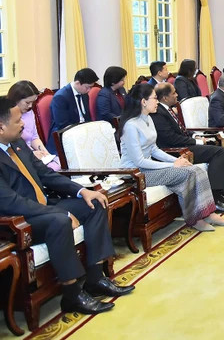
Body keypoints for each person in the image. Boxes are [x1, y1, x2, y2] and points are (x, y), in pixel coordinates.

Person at [0, 96, 134, 315]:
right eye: (18, 121)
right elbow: (11, 202)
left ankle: (95, 278)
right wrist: (59, 210)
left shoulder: (16, 143)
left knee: (95, 204)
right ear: (1, 126)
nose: (23, 123)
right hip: (19, 219)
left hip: (43, 205)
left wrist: (82, 191)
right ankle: (72, 296)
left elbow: (45, 174)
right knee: (59, 220)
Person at [120, 84, 224, 232]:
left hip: (149, 167)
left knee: (195, 169)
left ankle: (208, 213)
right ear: (143, 101)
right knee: (189, 173)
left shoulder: (147, 119)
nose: (157, 101)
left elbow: (154, 149)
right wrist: (173, 165)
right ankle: (195, 219)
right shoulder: (130, 126)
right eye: (154, 98)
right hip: (136, 173)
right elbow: (139, 161)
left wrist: (175, 161)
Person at [150, 83, 224, 212]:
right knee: (219, 152)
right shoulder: (158, 113)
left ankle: (219, 195)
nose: (177, 95)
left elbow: (181, 130)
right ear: (165, 97)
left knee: (218, 148)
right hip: (176, 151)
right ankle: (215, 199)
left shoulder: (168, 109)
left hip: (184, 145)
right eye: (174, 93)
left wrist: (196, 136)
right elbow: (171, 139)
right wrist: (196, 142)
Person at [7, 80, 61, 170]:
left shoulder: (29, 113)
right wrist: (31, 154)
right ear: (16, 100)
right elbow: (11, 147)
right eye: (27, 103)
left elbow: (34, 137)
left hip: (32, 154)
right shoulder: (7, 117)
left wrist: (46, 154)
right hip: (20, 158)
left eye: (33, 102)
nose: (30, 106)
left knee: (58, 163)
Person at [48, 68, 100, 153]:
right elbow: (63, 125)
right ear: (78, 83)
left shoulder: (84, 94)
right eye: (88, 87)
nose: (89, 90)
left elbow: (87, 118)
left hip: (81, 134)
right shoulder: (61, 97)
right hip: (64, 137)